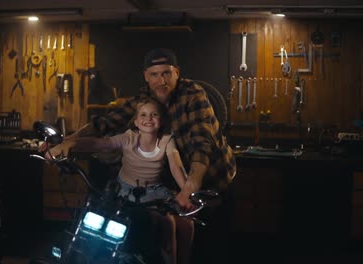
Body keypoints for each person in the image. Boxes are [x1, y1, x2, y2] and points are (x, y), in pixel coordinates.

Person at [47, 48, 237, 264]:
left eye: (166, 73)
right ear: (146, 76)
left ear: (177, 73)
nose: (161, 81)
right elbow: (106, 124)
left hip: (212, 180)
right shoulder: (144, 100)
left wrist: (189, 187)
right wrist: (67, 142)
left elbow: (202, 144)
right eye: (154, 75)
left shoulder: (192, 95)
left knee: (212, 249)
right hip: (176, 185)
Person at [47, 97, 192, 263]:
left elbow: (176, 166)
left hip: (154, 194)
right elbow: (101, 144)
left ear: (162, 120)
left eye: (154, 114)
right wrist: (70, 144)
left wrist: (187, 192)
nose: (148, 119)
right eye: (143, 115)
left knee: (177, 224)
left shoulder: (167, 141)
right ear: (136, 122)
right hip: (125, 192)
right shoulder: (129, 138)